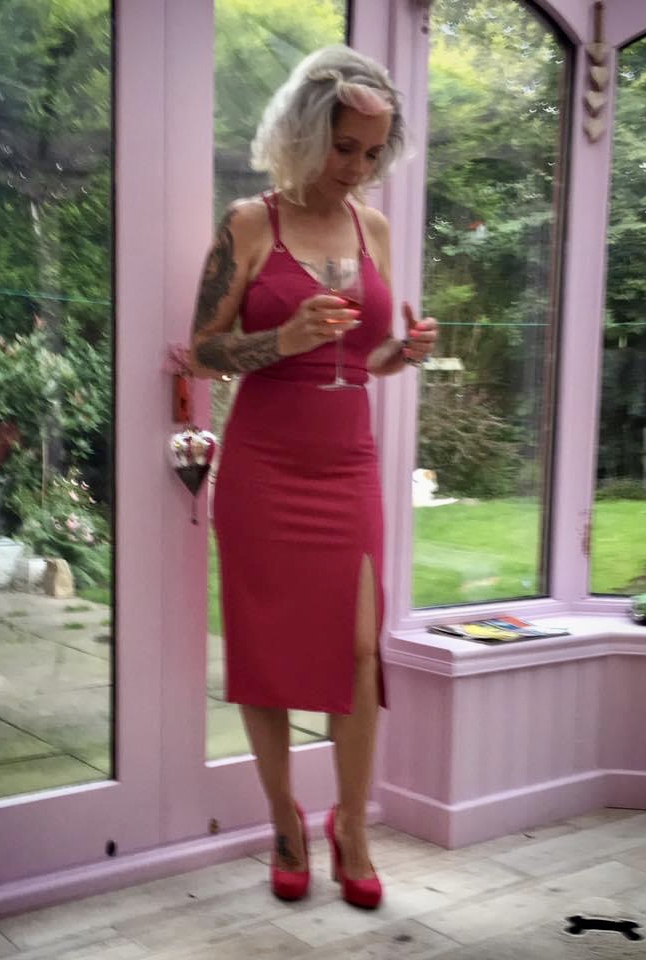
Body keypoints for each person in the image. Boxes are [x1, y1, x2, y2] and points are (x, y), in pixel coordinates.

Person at [190, 44, 437, 908]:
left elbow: (366, 357)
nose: (358, 168)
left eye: (372, 152)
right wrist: (282, 340)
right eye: (343, 148)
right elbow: (203, 351)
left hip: (346, 462)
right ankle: (285, 822)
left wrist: (403, 353)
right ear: (304, 134)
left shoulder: (373, 229)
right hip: (263, 464)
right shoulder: (249, 224)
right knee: (262, 652)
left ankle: (353, 826)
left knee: (360, 649)